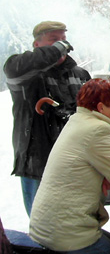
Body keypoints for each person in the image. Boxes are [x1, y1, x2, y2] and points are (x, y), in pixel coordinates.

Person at [29, 78, 110, 254]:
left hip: (47, 226)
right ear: (101, 108)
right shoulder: (97, 129)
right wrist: (108, 174)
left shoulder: (77, 121)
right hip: (67, 234)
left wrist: (103, 174)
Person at [3, 21, 91, 216]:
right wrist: (57, 50)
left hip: (75, 164)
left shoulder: (80, 74)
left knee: (75, 222)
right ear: (37, 45)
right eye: (54, 40)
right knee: (43, 223)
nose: (62, 46)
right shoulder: (25, 74)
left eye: (63, 40)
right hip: (38, 163)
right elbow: (12, 69)